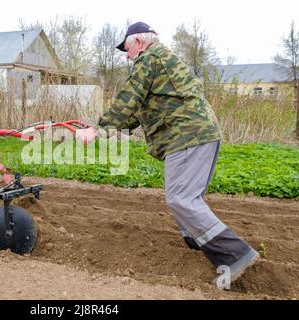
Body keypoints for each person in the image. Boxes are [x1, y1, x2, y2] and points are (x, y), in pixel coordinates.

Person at [76, 22, 259, 286]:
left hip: (186, 136)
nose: (126, 56)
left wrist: (99, 130)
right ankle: (197, 242)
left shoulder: (149, 59)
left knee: (182, 199)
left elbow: (128, 98)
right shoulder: (162, 60)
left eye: (127, 49)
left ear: (138, 43)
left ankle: (235, 254)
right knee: (186, 198)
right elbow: (135, 114)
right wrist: (99, 128)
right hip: (198, 133)